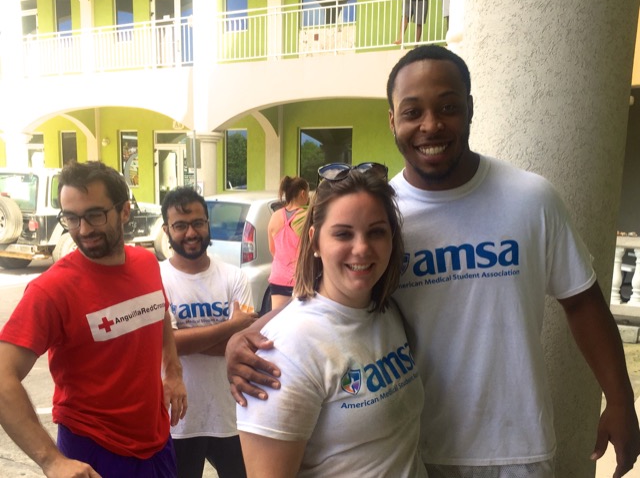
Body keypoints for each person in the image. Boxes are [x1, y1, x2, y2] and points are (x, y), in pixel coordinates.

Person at [226, 45, 640, 478]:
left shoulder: (531, 199)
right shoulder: (382, 214)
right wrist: (250, 336)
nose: (430, 125)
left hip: (517, 449)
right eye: (412, 112)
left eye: (448, 107)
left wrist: (620, 400)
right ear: (392, 120)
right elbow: (334, 300)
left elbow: (582, 300)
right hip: (418, 449)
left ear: (470, 109)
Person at [0, 160, 187, 477]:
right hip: (94, 453)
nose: (83, 230)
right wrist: (51, 460)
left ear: (124, 211)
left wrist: (173, 370)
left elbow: (159, 314)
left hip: (157, 443)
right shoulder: (52, 290)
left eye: (94, 215)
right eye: (71, 218)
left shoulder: (145, 263)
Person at [236, 167, 427, 477]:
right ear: (314, 241)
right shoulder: (287, 347)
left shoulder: (387, 312)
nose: (362, 248)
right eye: (343, 233)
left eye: (376, 231)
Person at [160, 187, 260, 478]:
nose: (191, 233)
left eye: (198, 223)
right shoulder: (157, 278)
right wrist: (230, 327)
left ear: (207, 224)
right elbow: (169, 344)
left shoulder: (234, 277)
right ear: (167, 229)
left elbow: (245, 343)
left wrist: (179, 341)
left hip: (231, 416)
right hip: (178, 421)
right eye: (180, 226)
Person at [267, 176, 309, 309]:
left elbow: (272, 250)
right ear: (303, 193)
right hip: (299, 279)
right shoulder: (306, 216)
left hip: (278, 277)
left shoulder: (275, 216)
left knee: (277, 321)